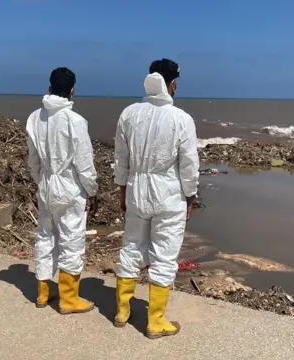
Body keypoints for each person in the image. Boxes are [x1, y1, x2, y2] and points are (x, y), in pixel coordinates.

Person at [113, 58, 199, 338]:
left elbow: (121, 159)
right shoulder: (181, 119)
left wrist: (123, 190)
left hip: (137, 187)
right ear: (173, 83)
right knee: (164, 254)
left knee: (131, 247)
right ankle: (156, 320)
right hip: (168, 192)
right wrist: (190, 196)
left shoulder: (128, 114)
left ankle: (122, 310)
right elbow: (188, 165)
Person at [26, 67, 99, 313]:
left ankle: (43, 292)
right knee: (72, 240)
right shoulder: (75, 121)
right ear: (72, 89)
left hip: (46, 184)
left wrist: (41, 182)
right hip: (68, 187)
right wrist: (91, 190)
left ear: (49, 88)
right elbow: (84, 163)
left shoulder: (35, 118)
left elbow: (33, 160)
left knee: (45, 236)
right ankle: (69, 298)